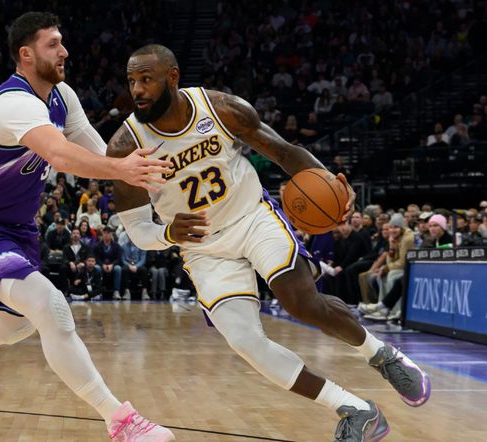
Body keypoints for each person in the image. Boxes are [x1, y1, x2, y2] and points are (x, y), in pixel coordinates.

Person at [109, 44, 430, 441]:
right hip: (203, 249)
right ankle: (354, 409)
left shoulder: (221, 109)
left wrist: (330, 182)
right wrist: (167, 234)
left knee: (301, 302)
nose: (137, 90)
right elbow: (137, 228)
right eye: (132, 81)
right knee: (245, 342)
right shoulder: (125, 146)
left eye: (146, 79)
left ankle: (382, 355)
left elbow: (284, 152)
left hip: (252, 218)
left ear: (172, 78)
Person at [0, 13, 173, 442]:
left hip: (18, 230)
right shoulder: (14, 104)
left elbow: (96, 149)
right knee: (50, 307)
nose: (64, 51)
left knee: (14, 325)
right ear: (26, 54)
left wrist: (148, 179)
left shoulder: (62, 96)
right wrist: (122, 170)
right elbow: (60, 155)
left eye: (62, 42)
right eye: (53, 44)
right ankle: (120, 420)